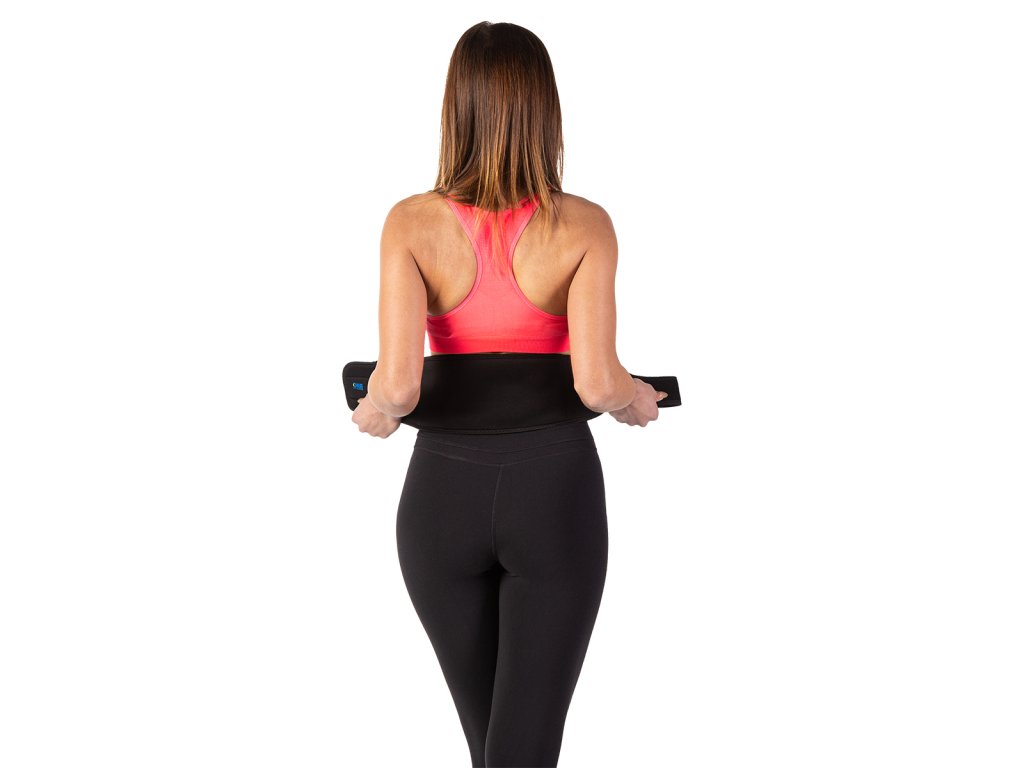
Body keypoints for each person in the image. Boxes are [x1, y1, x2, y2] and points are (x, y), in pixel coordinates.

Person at [351, 21, 668, 767]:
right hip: (552, 491)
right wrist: (637, 399)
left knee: (494, 750)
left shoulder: (410, 223)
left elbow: (397, 386)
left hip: (441, 499)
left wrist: (374, 409)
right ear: (545, 108)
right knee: (521, 752)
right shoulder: (584, 224)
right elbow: (597, 381)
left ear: (454, 107)